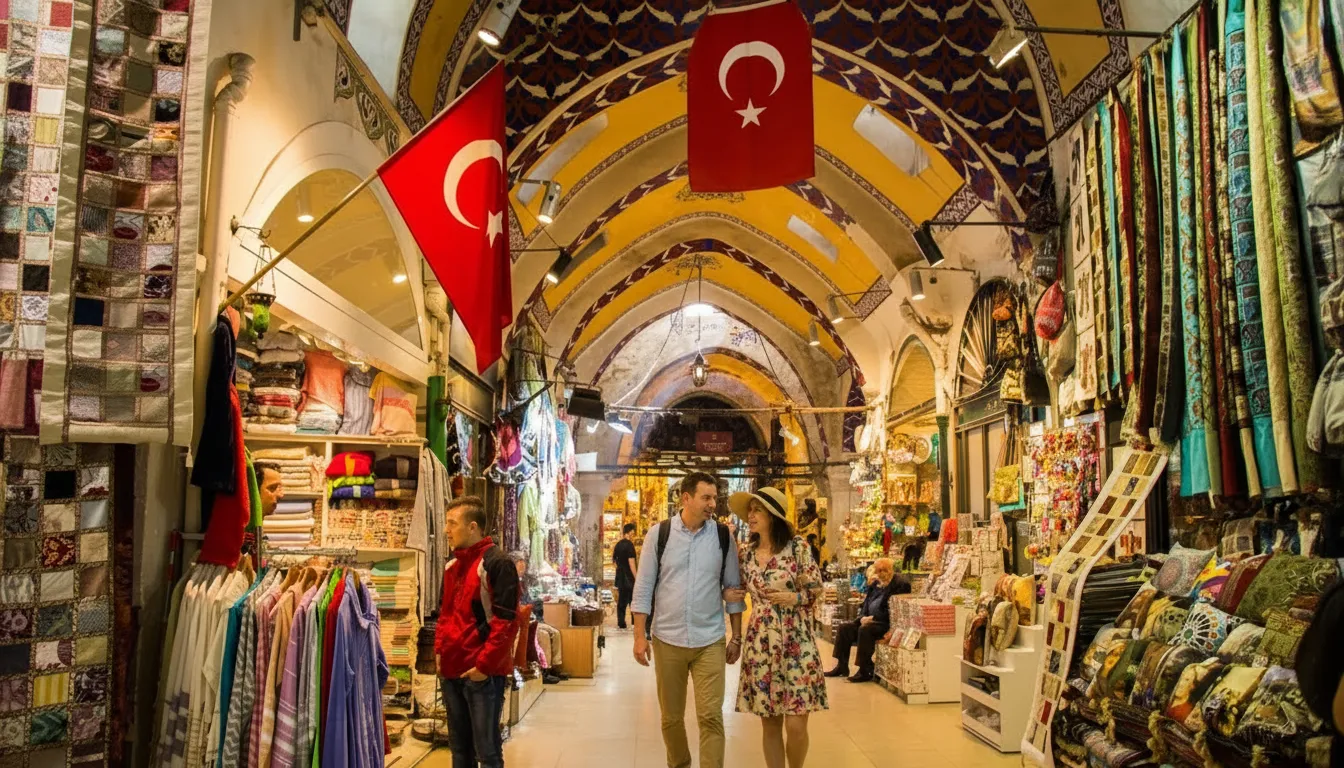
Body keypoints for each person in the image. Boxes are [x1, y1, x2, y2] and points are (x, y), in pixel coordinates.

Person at [631, 472, 747, 768]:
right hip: (667, 638)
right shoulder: (659, 535)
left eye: (714, 498)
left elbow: (733, 588)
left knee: (710, 715)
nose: (713, 504)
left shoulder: (723, 537)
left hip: (710, 639)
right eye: (706, 497)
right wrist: (639, 636)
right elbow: (644, 587)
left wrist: (736, 636)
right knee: (671, 718)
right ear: (686, 498)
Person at [723, 488, 827, 768]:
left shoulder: (797, 548)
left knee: (796, 723)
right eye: (751, 510)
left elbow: (817, 589)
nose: (751, 515)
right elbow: (739, 590)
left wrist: (795, 597)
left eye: (758, 510)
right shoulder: (747, 555)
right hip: (761, 645)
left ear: (773, 516)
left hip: (797, 642)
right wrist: (728, 595)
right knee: (769, 724)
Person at [435, 497, 520, 768]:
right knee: (460, 751)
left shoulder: (497, 563)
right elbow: (444, 614)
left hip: (482, 673)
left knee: (488, 752)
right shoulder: (452, 566)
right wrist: (439, 651)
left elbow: (506, 622)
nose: (447, 530)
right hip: (452, 669)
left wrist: (483, 666)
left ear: (472, 527)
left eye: (452, 523)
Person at [824, 558, 909, 682]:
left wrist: (873, 618)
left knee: (865, 630)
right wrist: (863, 617)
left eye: (883, 570)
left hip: (886, 623)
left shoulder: (900, 584)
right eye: (878, 570)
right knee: (844, 628)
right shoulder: (875, 584)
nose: (880, 573)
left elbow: (896, 610)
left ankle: (864, 670)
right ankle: (841, 666)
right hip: (869, 620)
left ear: (891, 570)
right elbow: (866, 604)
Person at [612, 523, 639, 630]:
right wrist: (636, 578)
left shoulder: (618, 545)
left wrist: (620, 569)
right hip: (629, 577)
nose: (633, 534)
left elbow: (614, 561)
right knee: (633, 600)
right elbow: (631, 562)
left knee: (621, 601)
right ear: (629, 532)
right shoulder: (630, 545)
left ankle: (621, 623)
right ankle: (634, 622)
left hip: (620, 577)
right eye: (633, 532)